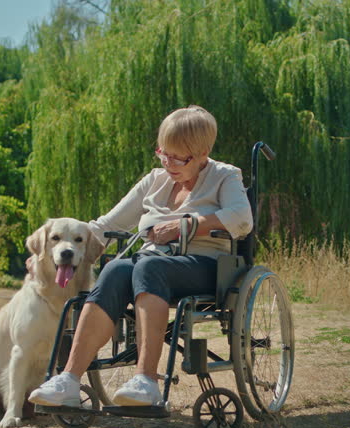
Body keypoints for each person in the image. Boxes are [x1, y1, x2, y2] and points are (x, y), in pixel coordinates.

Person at [28, 106, 253, 407]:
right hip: (150, 265)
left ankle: (146, 381)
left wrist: (187, 225)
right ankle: (68, 380)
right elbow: (107, 226)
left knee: (148, 267)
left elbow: (242, 219)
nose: (168, 163)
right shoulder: (155, 180)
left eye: (178, 157)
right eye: (164, 153)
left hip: (205, 266)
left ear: (202, 153)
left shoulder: (224, 176)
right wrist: (48, 251)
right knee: (116, 270)